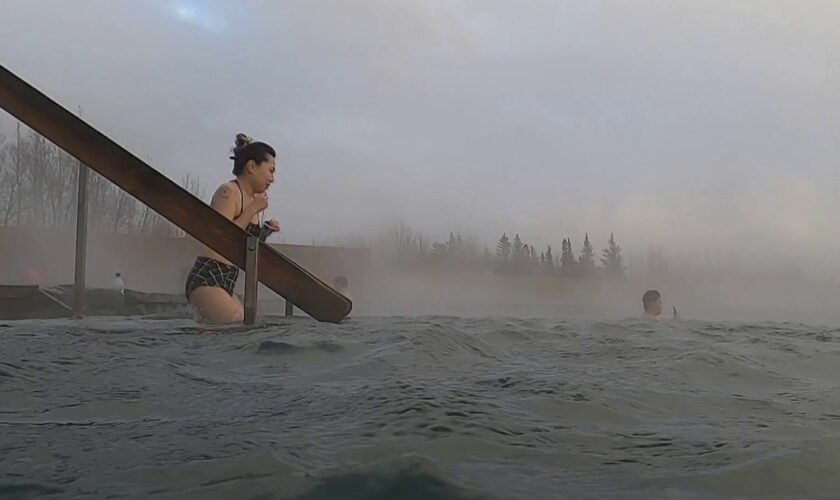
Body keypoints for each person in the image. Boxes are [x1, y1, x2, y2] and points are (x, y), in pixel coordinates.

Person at [184, 133, 281, 324]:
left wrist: (266, 229)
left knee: (253, 323)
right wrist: (253, 209)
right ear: (252, 167)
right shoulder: (228, 192)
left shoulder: (254, 201)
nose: (272, 179)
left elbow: (246, 245)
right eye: (270, 171)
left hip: (227, 281)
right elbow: (221, 238)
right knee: (238, 325)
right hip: (208, 278)